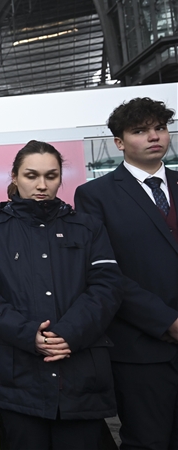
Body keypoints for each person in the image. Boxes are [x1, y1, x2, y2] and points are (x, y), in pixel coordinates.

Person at [0, 140, 125, 449]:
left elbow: (107, 286)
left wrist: (69, 333)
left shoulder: (88, 226)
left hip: (79, 373)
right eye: (31, 175)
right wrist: (28, 334)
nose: (42, 185)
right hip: (17, 375)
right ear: (14, 177)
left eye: (51, 176)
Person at [75, 97, 178, 450]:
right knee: (148, 441)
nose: (154, 136)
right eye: (140, 130)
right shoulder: (95, 195)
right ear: (119, 142)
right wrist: (167, 321)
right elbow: (105, 272)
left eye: (160, 128)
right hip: (140, 348)